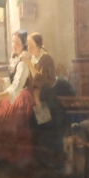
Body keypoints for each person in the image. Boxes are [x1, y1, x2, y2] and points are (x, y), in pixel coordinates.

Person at [0, 31, 35, 167]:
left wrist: (0, 96)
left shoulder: (23, 62)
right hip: (16, 93)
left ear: (24, 45)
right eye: (13, 42)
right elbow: (12, 81)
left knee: (0, 116)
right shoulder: (16, 59)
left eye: (17, 43)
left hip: (22, 97)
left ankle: (6, 156)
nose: (14, 45)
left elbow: (17, 87)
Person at [26, 32, 66, 168]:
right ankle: (40, 160)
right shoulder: (33, 59)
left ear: (39, 46)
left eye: (32, 46)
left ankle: (53, 160)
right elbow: (31, 83)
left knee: (46, 125)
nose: (29, 49)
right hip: (38, 97)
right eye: (28, 46)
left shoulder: (46, 59)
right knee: (33, 123)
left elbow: (41, 80)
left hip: (48, 97)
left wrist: (29, 65)